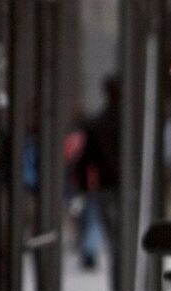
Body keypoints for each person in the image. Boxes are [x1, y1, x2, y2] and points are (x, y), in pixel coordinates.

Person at [75, 75, 121, 277]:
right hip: (119, 186)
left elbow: (85, 159)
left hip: (104, 184)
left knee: (110, 233)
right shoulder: (131, 123)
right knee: (118, 235)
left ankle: (97, 253)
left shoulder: (97, 123)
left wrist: (84, 186)